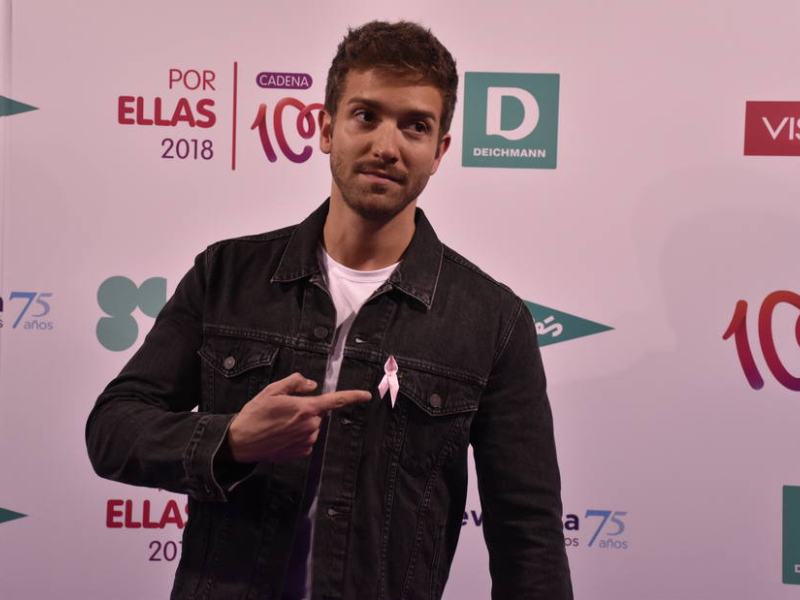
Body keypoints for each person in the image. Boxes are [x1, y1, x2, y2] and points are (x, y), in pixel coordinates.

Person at [86, 20, 572, 600]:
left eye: (415, 126)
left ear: (439, 151)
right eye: (366, 116)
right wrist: (232, 439)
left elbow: (529, 541)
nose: (386, 146)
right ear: (325, 128)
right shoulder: (227, 275)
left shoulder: (493, 321)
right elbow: (112, 431)